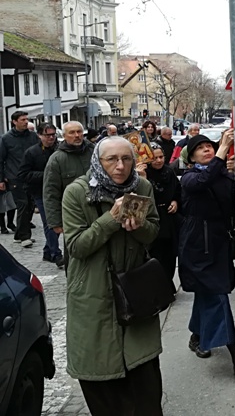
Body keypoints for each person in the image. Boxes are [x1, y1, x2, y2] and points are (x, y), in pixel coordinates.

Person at [62, 136, 162, 415]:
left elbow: (153, 232)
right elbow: (76, 247)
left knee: (145, 385)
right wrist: (110, 220)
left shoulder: (142, 187)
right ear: (98, 161)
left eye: (126, 159)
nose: (120, 166)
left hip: (135, 294)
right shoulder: (77, 192)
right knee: (104, 384)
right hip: (94, 297)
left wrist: (138, 227)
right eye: (112, 160)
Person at [178, 130, 235, 382]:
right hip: (197, 247)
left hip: (219, 244)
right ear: (191, 157)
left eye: (210, 146)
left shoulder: (223, 174)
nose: (207, 149)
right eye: (200, 148)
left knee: (208, 293)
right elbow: (202, 183)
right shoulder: (189, 177)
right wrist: (223, 151)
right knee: (217, 296)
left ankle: (197, 335)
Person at [43, 121, 96, 249]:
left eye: (79, 132)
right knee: (75, 249)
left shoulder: (95, 152)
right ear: (64, 136)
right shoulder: (57, 159)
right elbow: (50, 192)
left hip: (97, 210)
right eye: (72, 132)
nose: (76, 135)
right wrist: (55, 222)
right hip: (73, 214)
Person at [19, 123, 62, 266]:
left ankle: (48, 251)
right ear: (39, 135)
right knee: (50, 223)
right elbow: (24, 174)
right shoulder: (32, 152)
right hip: (40, 192)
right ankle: (56, 254)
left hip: (59, 191)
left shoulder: (60, 149)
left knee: (58, 222)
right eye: (47, 135)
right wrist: (46, 175)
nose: (51, 137)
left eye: (53, 134)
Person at [141, 143, 181, 290]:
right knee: (155, 254)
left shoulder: (169, 172)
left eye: (161, 157)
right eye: (154, 158)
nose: (158, 161)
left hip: (169, 218)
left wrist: (176, 201)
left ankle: (168, 285)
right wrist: (143, 178)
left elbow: (177, 190)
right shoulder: (143, 174)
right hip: (152, 218)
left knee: (170, 255)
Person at [0, 111, 39, 246]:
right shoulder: (6, 139)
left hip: (31, 176)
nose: (26, 122)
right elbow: (1, 159)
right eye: (22, 120)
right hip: (14, 177)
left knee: (30, 205)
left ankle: (18, 234)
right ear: (14, 122)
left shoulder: (33, 136)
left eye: (26, 119)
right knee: (23, 204)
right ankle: (24, 237)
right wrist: (1, 179)